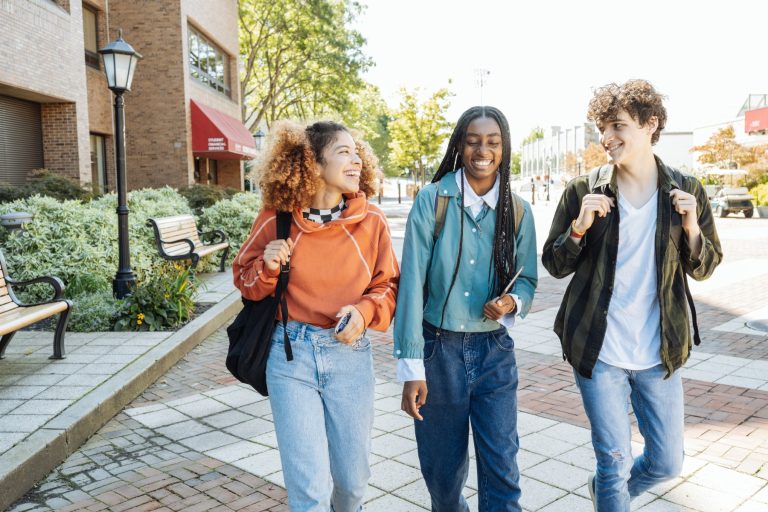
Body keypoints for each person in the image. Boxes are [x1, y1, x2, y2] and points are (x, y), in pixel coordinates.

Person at [541, 80, 722, 511]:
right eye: (602, 128)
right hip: (598, 349)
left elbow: (706, 266)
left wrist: (692, 227)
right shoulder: (585, 190)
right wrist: (579, 228)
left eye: (618, 125)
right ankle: (610, 490)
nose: (607, 138)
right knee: (613, 461)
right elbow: (554, 262)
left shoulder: (686, 191)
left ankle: (609, 493)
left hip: (659, 351)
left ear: (650, 124)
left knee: (666, 463)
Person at [233, 120, 399, 511]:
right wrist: (269, 267)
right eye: (343, 152)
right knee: (309, 493)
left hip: (350, 356)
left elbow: (388, 285)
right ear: (311, 162)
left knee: (353, 484)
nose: (355, 159)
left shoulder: (372, 220)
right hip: (291, 356)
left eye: (356, 152)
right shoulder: (278, 218)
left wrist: (363, 313)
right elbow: (245, 279)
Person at [394, 106, 538, 511]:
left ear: (504, 149)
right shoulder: (432, 201)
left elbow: (527, 281)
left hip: (495, 354)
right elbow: (411, 289)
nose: (483, 150)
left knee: (503, 473)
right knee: (443, 477)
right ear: (460, 144)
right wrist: (411, 368)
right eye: (473, 140)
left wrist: (512, 302)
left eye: (493, 142)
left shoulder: (519, 210)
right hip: (438, 352)